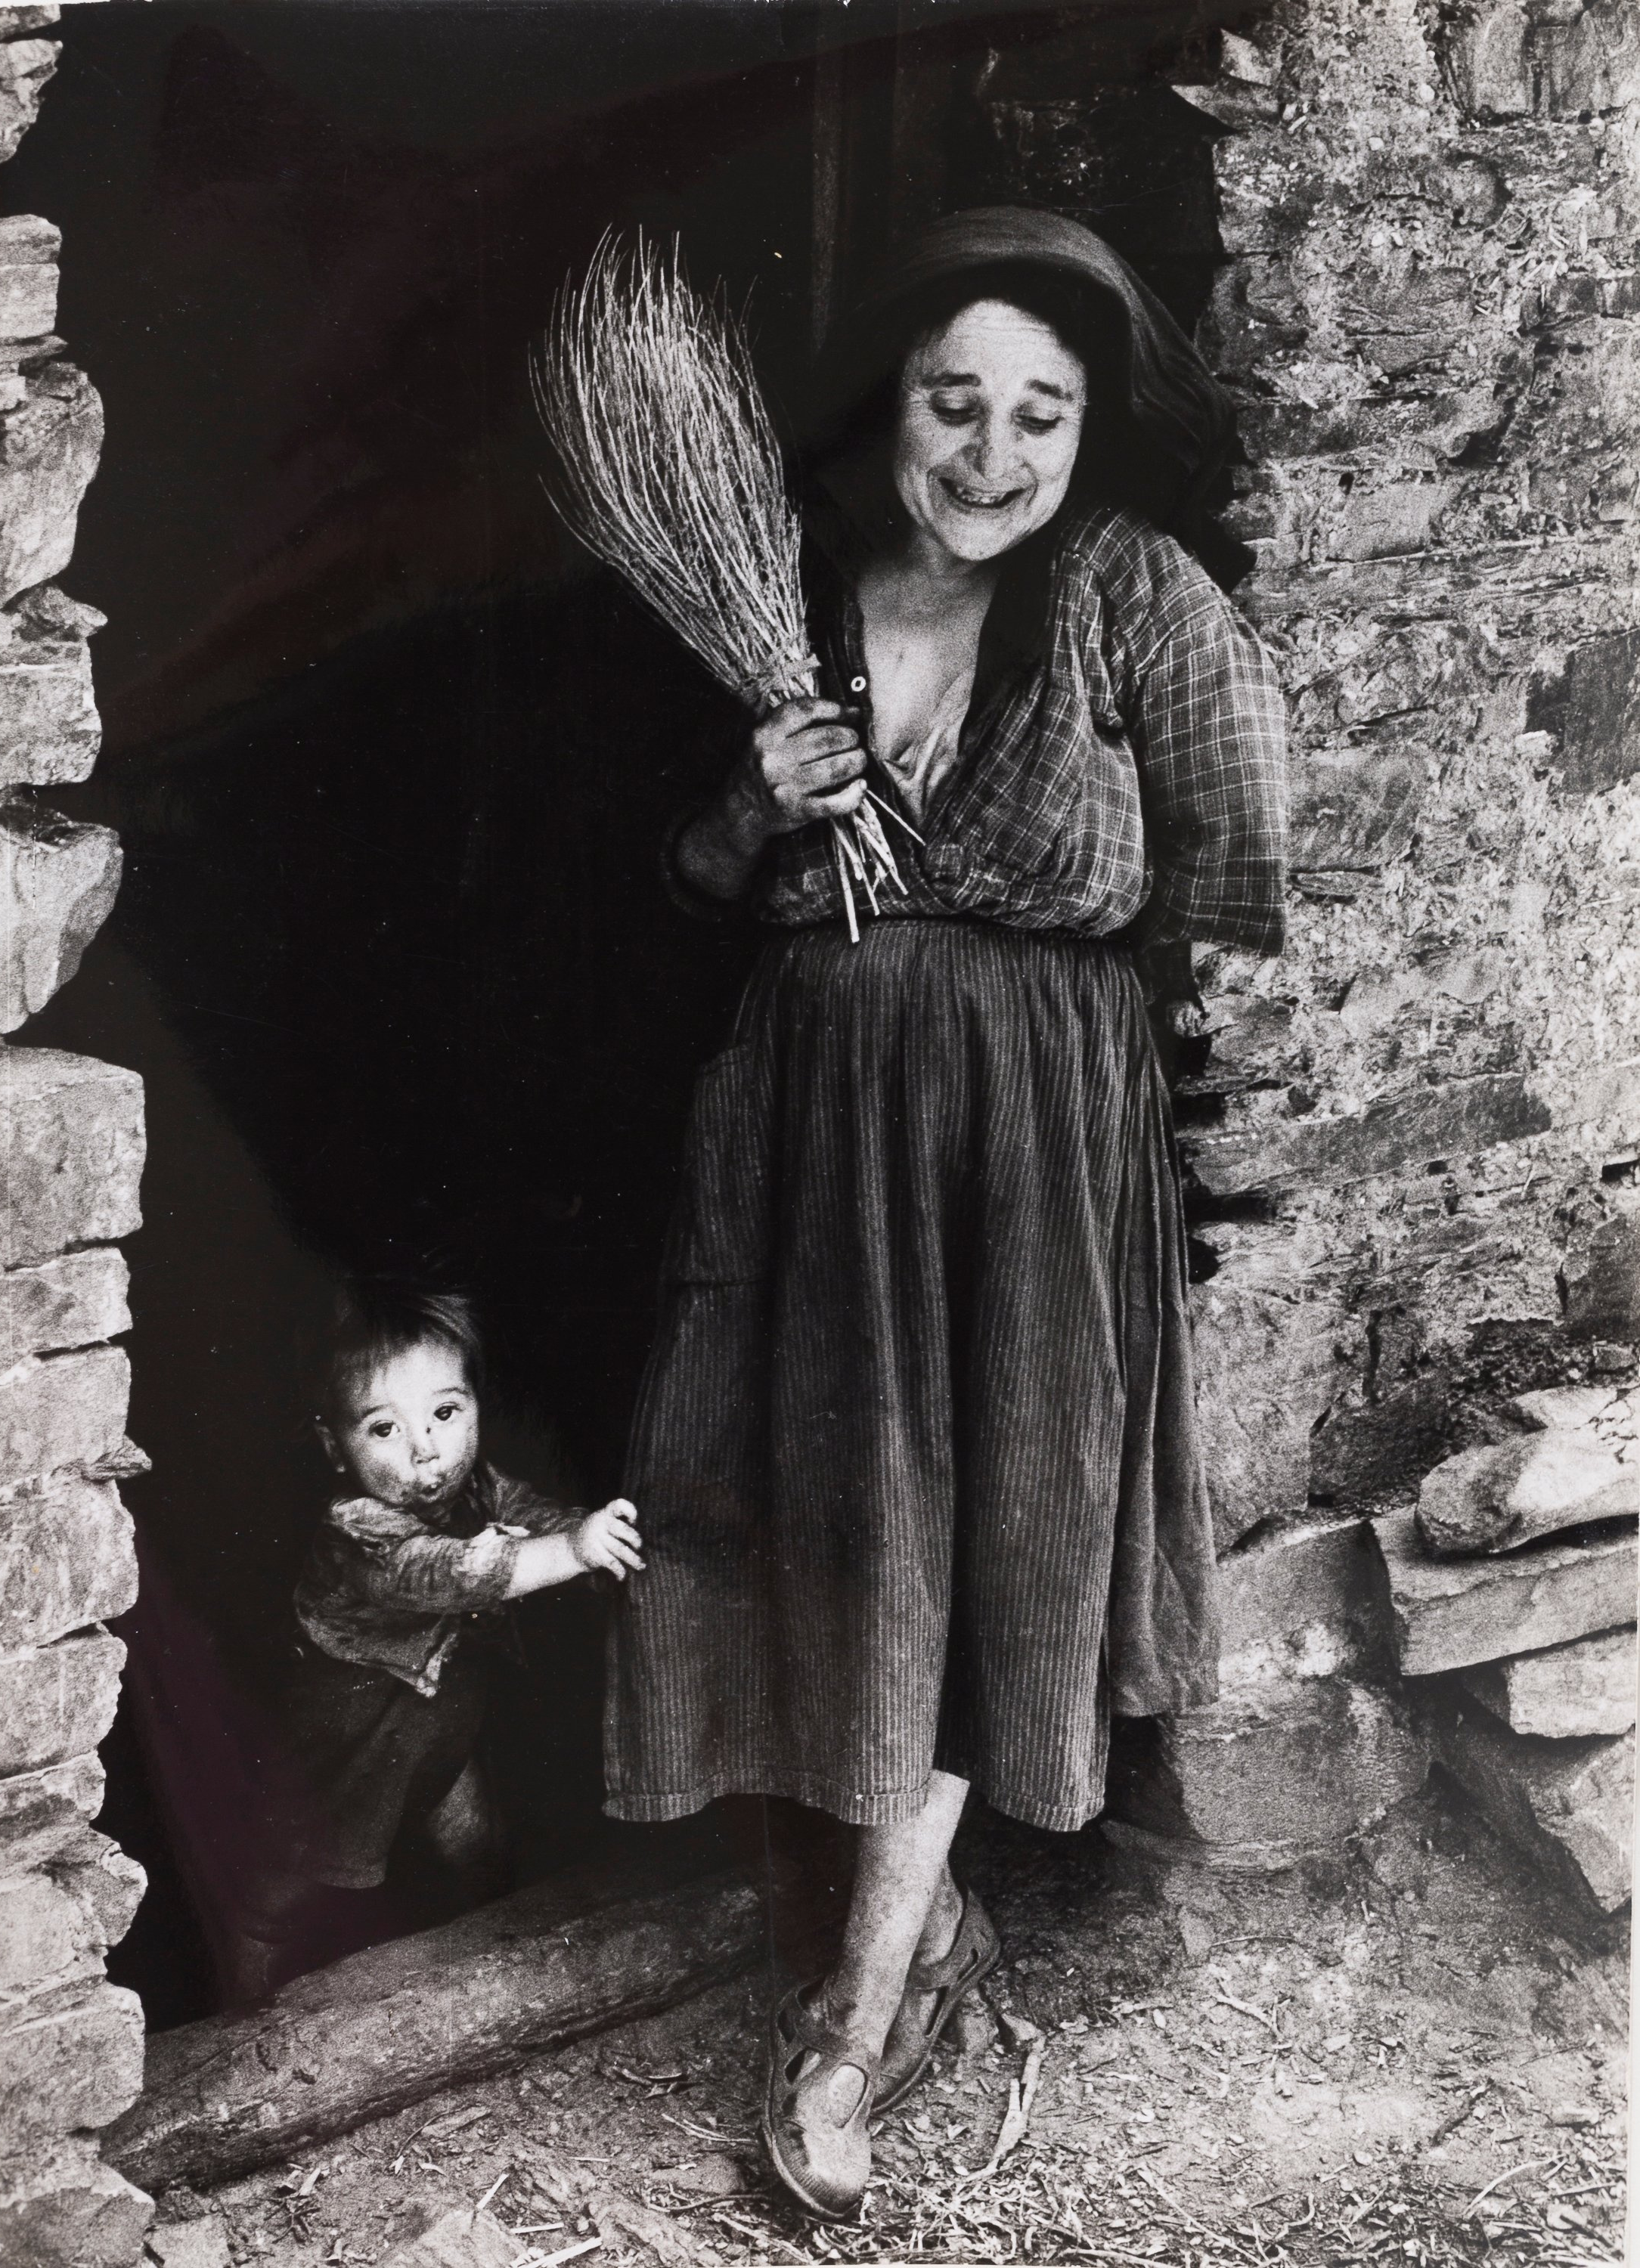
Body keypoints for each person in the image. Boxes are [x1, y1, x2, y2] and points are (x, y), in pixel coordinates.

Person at [605, 206, 1288, 2219]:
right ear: (891, 402)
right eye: (950, 403)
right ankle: (904, 1947)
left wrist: (1156, 1168)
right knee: (813, 1532)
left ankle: (846, 2024)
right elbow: (673, 896)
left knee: (972, 1546)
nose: (987, 457)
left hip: (1025, 1166)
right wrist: (757, 807)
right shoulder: (789, 599)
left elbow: (1234, 908)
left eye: (1037, 416)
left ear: (1091, 432)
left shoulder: (1137, 598)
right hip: (804, 1152)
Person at [231, 1281, 643, 1999]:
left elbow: (534, 1513)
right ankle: (243, 1970)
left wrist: (591, 1532)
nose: (427, 1449)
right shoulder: (361, 1533)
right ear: (335, 1445)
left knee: (474, 1835)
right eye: (384, 1430)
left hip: (437, 1714)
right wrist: (575, 1551)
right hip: (352, 1733)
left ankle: (491, 1946)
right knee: (298, 1866)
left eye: (446, 1413)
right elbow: (452, 1573)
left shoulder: (474, 1484)